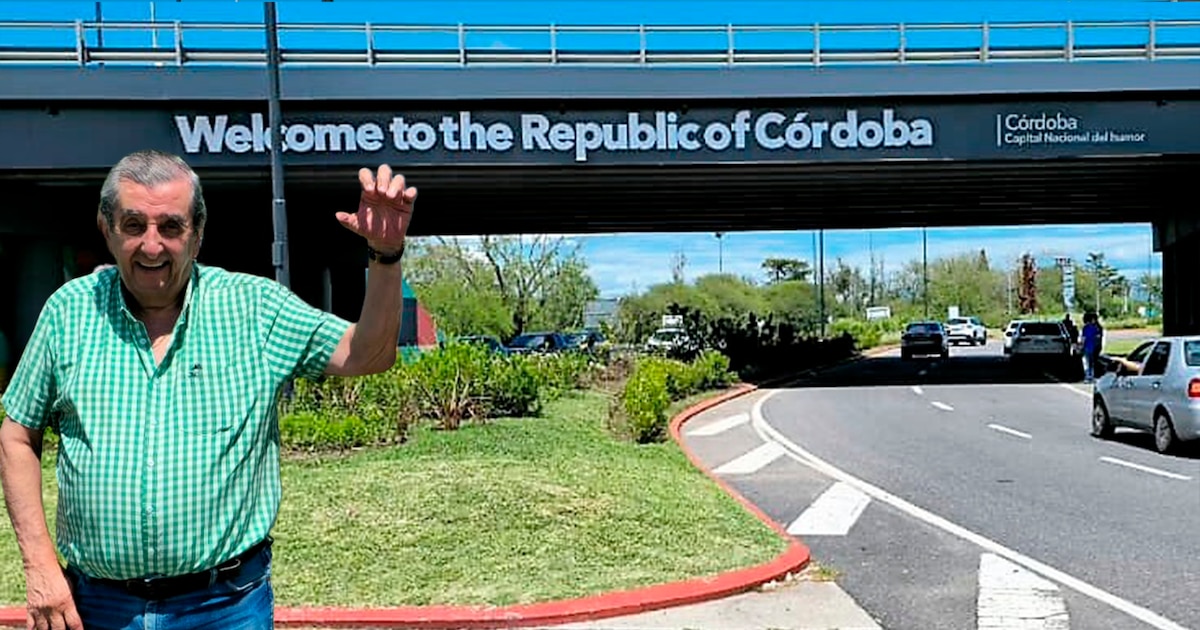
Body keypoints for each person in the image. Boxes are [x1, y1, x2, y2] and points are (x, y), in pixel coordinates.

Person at [0, 150, 415, 630]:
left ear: (197, 234)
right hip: (96, 607)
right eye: (133, 225)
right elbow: (17, 435)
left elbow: (367, 354)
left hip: (223, 608)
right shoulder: (68, 312)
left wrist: (386, 256)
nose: (151, 246)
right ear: (106, 229)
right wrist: (39, 566)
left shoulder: (254, 308)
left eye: (170, 227)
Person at [1080, 311, 1105, 382]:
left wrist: (1081, 346)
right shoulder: (1097, 328)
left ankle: (1088, 376)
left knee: (1087, 362)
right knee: (1092, 362)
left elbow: (1084, 338)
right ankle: (1092, 375)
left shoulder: (1086, 328)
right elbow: (1099, 337)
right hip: (1095, 347)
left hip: (1087, 347)